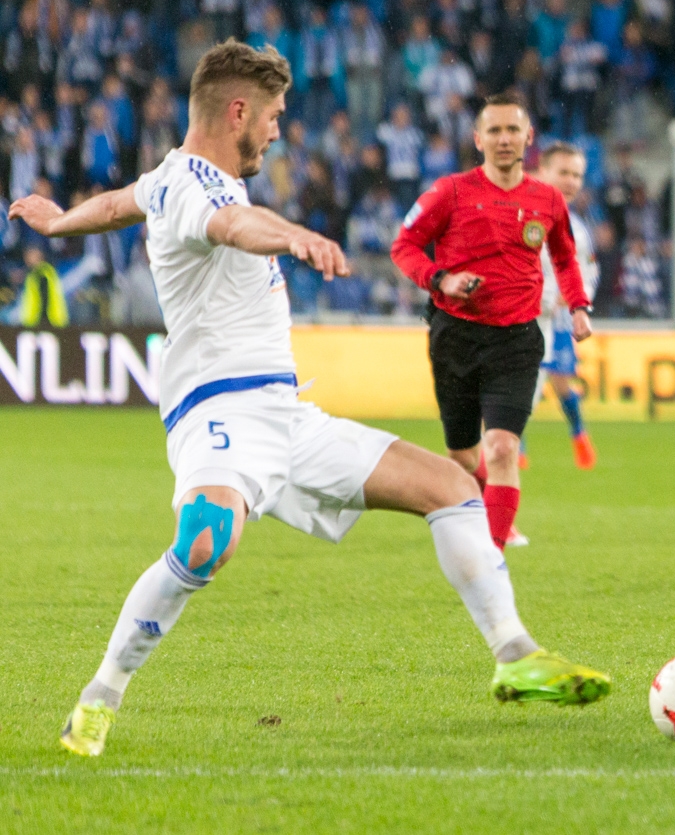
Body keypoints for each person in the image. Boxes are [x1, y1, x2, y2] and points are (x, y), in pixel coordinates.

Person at [10, 43, 609, 759]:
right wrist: (294, 235)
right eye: (272, 117)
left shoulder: (172, 178)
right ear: (238, 111)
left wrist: (59, 221)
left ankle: (515, 653)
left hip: (286, 414)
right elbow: (236, 228)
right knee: (205, 539)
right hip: (218, 411)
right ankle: (99, 697)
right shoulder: (202, 190)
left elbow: (118, 203)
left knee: (453, 486)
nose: (277, 131)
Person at [391, 94, 593, 552]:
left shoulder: (547, 200)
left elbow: (563, 255)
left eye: (513, 130)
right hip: (456, 335)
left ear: (529, 138)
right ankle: (486, 511)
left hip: (519, 339)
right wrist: (440, 279)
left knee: (502, 448)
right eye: (495, 131)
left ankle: (492, 557)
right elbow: (403, 247)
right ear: (478, 139)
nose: (505, 139)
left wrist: (578, 305)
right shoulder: (450, 192)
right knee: (463, 455)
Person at [532, 142, 600, 470]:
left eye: (577, 175)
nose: (572, 181)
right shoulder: (522, 213)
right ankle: (510, 452)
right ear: (543, 172)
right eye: (564, 173)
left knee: (558, 379)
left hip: (555, 318)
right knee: (516, 391)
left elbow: (588, 270)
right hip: (520, 318)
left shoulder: (578, 228)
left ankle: (578, 434)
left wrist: (578, 300)